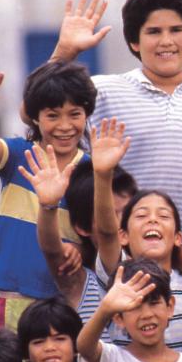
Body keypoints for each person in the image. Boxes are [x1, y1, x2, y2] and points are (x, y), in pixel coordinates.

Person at [51, 0, 182, 234]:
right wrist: (65, 52)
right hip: (127, 258)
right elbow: (36, 112)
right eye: (154, 32)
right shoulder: (101, 91)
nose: (166, 41)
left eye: (176, 30)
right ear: (134, 42)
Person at [0, 59, 97, 328]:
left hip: (65, 301)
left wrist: (80, 251)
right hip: (12, 297)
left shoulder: (91, 171)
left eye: (75, 114)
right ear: (35, 116)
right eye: (53, 115)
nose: (64, 125)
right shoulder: (17, 155)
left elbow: (98, 236)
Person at [90, 118, 182, 362]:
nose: (152, 220)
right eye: (141, 215)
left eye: (163, 215)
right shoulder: (120, 277)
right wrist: (103, 174)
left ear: (178, 237)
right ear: (123, 235)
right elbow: (106, 232)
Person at [18, 139, 135, 327]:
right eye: (109, 214)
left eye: (129, 211)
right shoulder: (80, 282)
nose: (122, 222)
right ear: (82, 227)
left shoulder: (161, 265)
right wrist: (48, 206)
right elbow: (52, 250)